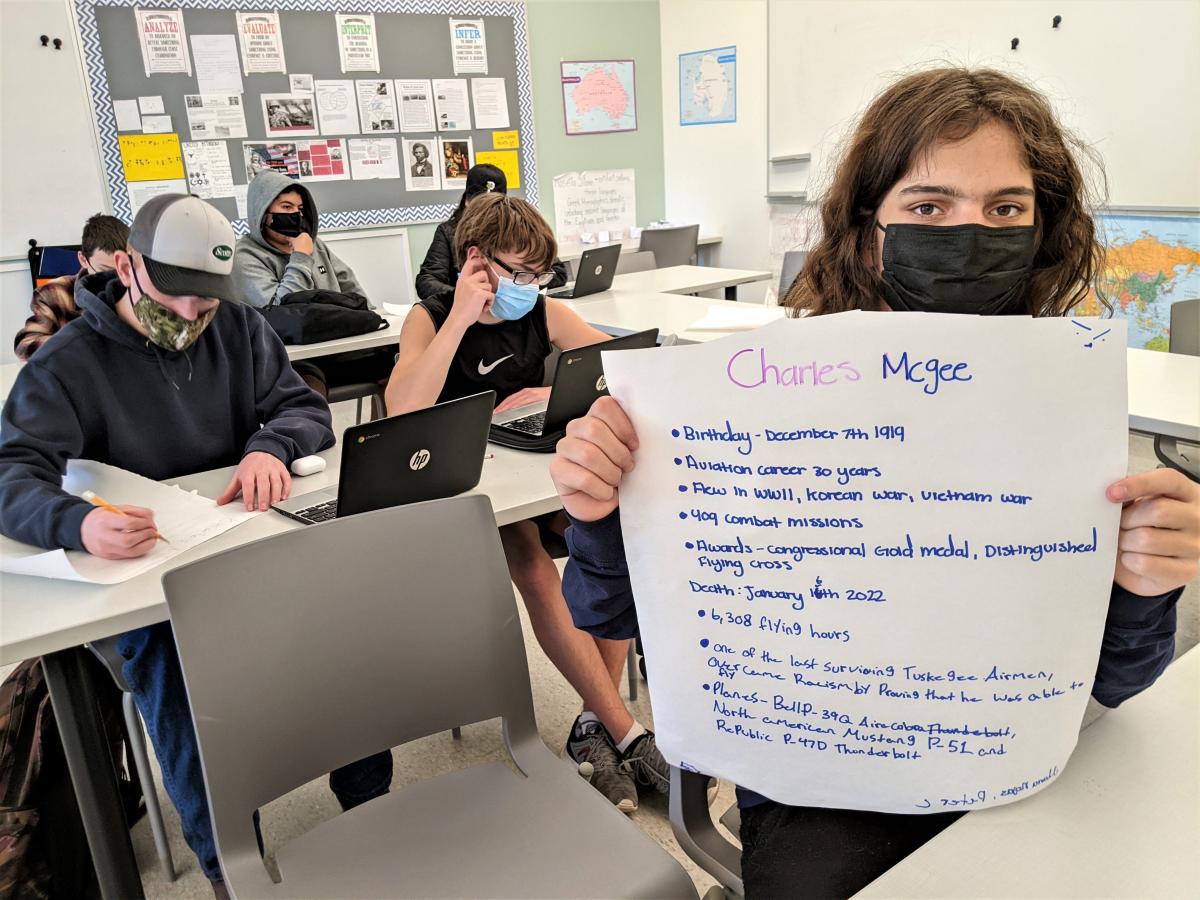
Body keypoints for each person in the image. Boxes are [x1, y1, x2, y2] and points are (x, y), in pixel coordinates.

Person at [549, 67, 1200, 897]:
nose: (970, 233)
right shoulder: (750, 407)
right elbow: (610, 616)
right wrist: (601, 514)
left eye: (1005, 209)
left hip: (1019, 760)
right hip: (817, 788)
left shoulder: (1063, 415)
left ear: (1043, 227)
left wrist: (1147, 585)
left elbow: (1117, 681)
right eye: (929, 207)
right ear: (869, 229)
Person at [0, 195, 393, 895]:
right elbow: (10, 474)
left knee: (350, 612)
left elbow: (302, 405)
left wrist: (271, 446)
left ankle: (373, 814)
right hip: (150, 584)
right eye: (174, 295)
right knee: (171, 655)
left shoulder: (237, 328)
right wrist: (77, 522)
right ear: (126, 265)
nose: (188, 318)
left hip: (243, 543)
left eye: (205, 305)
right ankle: (229, 863)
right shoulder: (67, 364)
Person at [385, 192, 671, 812]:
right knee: (535, 569)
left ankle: (595, 726)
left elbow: (625, 362)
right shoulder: (429, 316)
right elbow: (402, 408)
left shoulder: (542, 311)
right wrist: (461, 316)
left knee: (614, 540)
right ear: (475, 262)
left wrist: (544, 387)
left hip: (530, 474)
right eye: (515, 272)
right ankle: (627, 731)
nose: (527, 286)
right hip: (464, 491)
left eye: (537, 274)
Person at [233, 169, 394, 403]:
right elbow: (279, 313)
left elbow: (349, 285)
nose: (296, 215)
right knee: (307, 392)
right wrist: (300, 257)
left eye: (299, 209)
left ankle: (380, 437)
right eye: (286, 208)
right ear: (263, 213)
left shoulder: (314, 245)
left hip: (338, 346)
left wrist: (369, 316)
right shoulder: (246, 257)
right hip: (293, 360)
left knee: (399, 365)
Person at [415, 164, 568, 308]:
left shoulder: (517, 229)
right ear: (467, 201)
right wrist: (467, 294)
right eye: (480, 203)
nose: (487, 211)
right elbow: (426, 280)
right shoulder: (448, 231)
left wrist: (519, 288)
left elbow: (557, 271)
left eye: (494, 205)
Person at [14, 213, 129, 360]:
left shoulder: (139, 288)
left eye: (125, 268)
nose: (118, 278)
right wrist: (79, 345)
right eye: (106, 270)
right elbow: (25, 344)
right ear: (83, 259)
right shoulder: (53, 293)